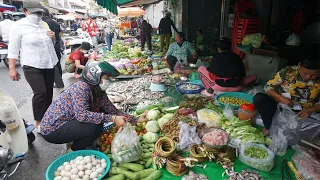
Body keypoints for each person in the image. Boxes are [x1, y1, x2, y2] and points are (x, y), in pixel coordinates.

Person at [40, 61, 148, 151]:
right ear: (94, 76)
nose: (108, 81)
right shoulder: (81, 88)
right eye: (106, 77)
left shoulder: (98, 92)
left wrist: (136, 119)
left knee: (98, 120)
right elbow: (82, 115)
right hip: (52, 129)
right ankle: (74, 150)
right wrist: (113, 119)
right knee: (95, 126)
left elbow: (113, 110)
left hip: (68, 123)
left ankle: (77, 141)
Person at [8, 0, 57, 132]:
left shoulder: (44, 24)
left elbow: (49, 44)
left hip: (49, 63)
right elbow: (13, 48)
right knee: (40, 93)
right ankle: (39, 122)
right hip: (31, 64)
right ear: (25, 12)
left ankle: (48, 119)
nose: (37, 15)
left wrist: (52, 38)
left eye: (39, 12)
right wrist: (12, 68)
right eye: (34, 12)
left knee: (48, 93)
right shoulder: (18, 26)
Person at [253, 56, 320, 136]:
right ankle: (270, 127)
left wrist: (311, 110)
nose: (308, 77)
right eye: (305, 73)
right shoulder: (288, 71)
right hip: (281, 107)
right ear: (299, 66)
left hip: (304, 113)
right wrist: (279, 97)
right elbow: (268, 87)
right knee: (259, 98)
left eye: (313, 75)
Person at [42, 7, 64, 88]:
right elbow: (60, 35)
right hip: (57, 45)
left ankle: (57, 83)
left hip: (49, 46)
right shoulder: (55, 22)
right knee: (57, 64)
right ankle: (59, 80)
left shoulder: (42, 23)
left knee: (50, 66)